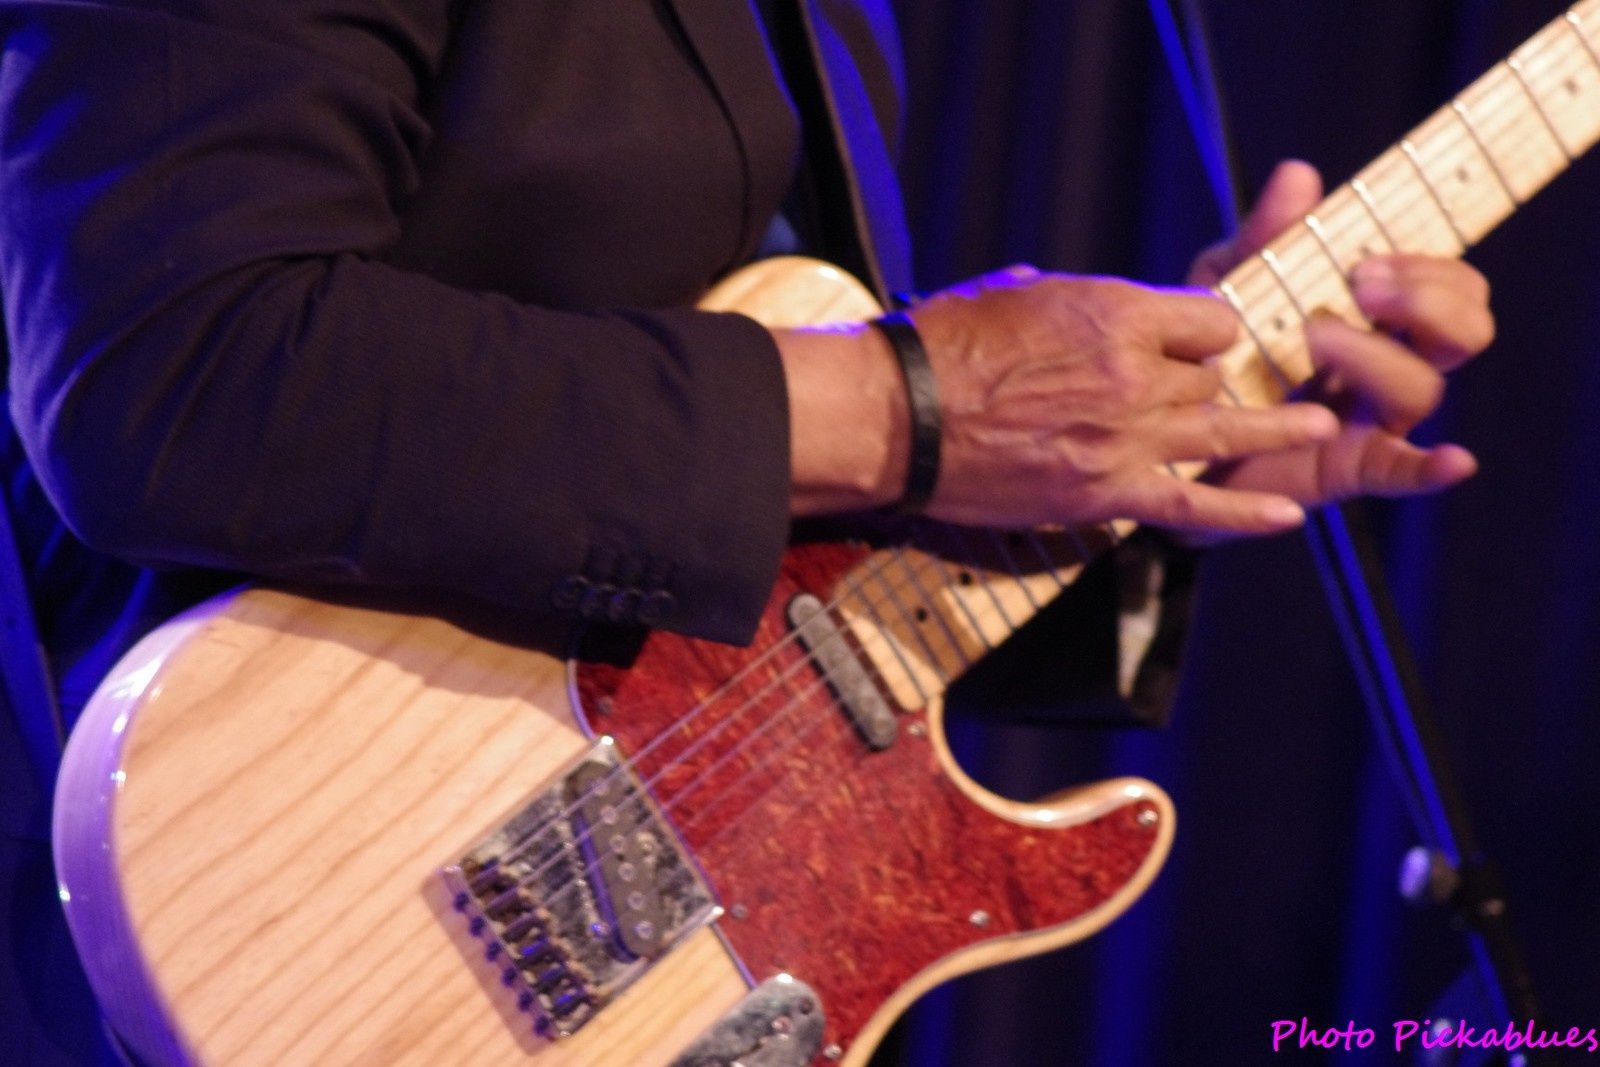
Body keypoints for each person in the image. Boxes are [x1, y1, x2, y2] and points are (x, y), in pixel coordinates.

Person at [0, 0, 1492, 1062]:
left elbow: (739, 531)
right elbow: (169, 376)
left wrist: (1158, 441)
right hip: (276, 913)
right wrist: (910, 403)